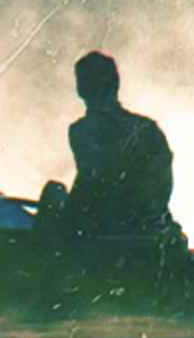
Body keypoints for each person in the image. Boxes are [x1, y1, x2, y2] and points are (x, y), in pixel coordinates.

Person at [56, 49, 184, 264]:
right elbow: (162, 187)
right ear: (115, 84)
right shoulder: (147, 127)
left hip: (110, 234)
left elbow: (91, 183)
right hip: (153, 230)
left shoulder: (82, 130)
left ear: (81, 90)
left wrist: (62, 220)